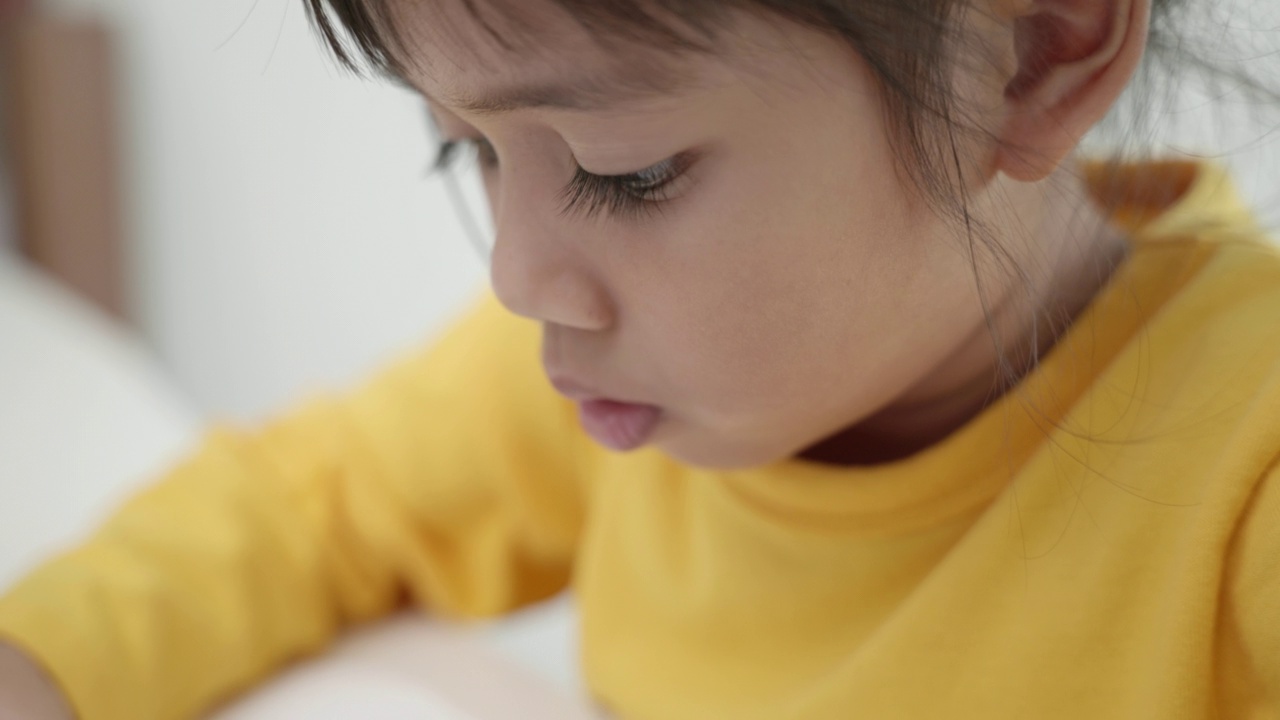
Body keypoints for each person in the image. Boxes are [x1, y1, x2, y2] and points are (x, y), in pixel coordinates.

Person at [2, 0, 1279, 717]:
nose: (514, 278)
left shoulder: (1245, 460)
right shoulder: (601, 391)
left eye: (625, 175)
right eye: (471, 154)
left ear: (1031, 54)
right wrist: (43, 666)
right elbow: (305, 508)